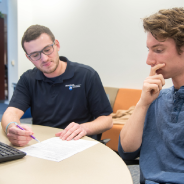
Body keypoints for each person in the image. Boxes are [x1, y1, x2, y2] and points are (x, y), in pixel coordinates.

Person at [1, 25, 113, 147]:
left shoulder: (86, 75)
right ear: (29, 58)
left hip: (79, 144)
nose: (44, 58)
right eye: (35, 55)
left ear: (57, 45)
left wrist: (84, 128)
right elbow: (11, 112)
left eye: (47, 49)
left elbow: (107, 120)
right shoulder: (28, 79)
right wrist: (11, 128)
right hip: (42, 145)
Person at [118, 7, 184, 184]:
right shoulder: (157, 98)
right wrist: (143, 103)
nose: (149, 61)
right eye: (149, 49)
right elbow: (126, 150)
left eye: (159, 50)